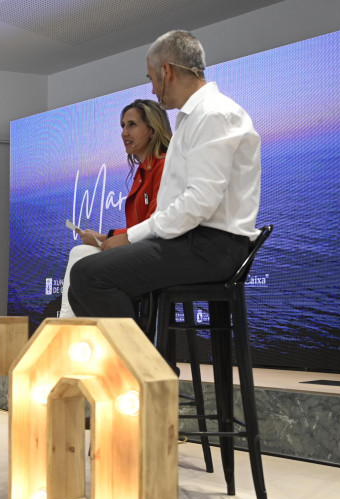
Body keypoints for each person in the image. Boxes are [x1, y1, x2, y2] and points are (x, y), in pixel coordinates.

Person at [69, 30, 260, 318]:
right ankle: (146, 361)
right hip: (196, 242)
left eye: (151, 78)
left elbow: (198, 202)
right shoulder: (195, 117)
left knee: (89, 275)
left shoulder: (213, 114)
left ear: (166, 71)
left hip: (210, 247)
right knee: (82, 280)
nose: (152, 90)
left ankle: (146, 364)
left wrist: (132, 237)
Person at [59, 99, 171, 317]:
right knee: (80, 251)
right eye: (122, 126)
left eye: (132, 125)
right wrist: (105, 238)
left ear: (152, 129)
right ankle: (69, 328)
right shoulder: (141, 172)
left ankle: (72, 330)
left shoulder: (164, 165)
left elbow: (153, 225)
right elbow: (138, 230)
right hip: (142, 250)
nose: (124, 133)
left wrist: (105, 237)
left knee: (84, 264)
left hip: (159, 255)